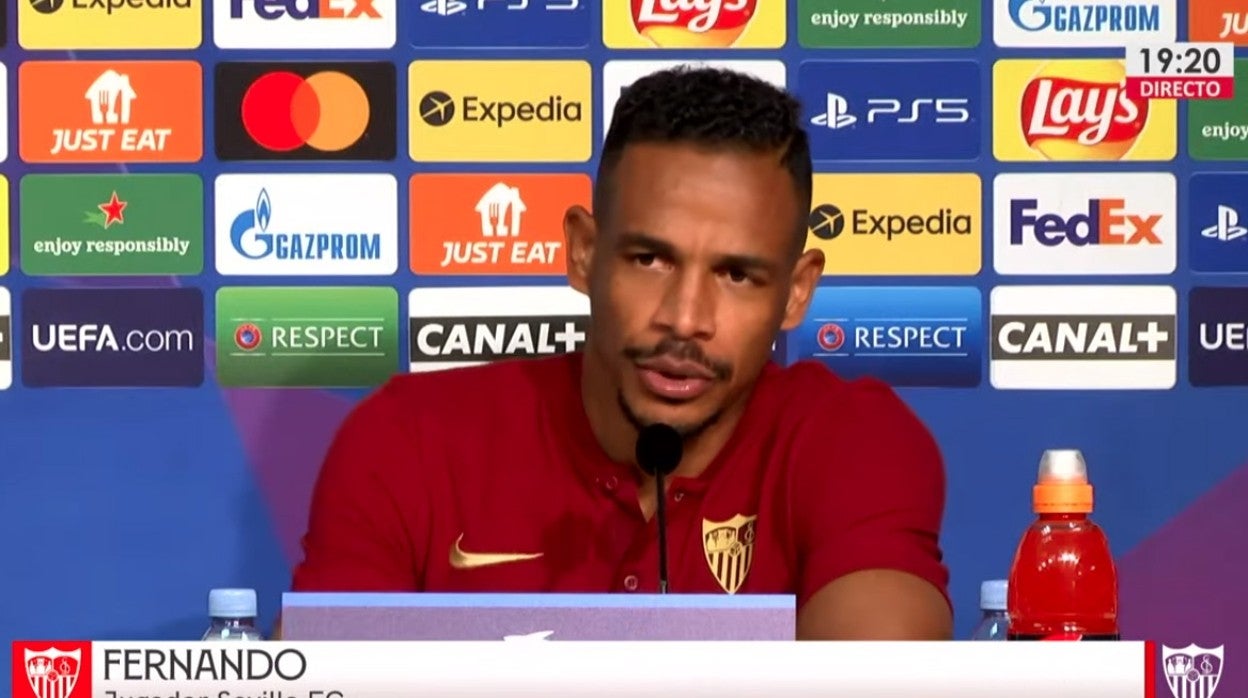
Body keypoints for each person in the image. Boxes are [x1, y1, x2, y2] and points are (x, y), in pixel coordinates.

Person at [284, 66, 952, 640]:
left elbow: (878, 671)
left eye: (737, 275)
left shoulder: (852, 441)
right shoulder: (410, 441)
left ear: (797, 292)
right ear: (583, 252)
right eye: (651, 259)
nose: (685, 321)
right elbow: (322, 675)